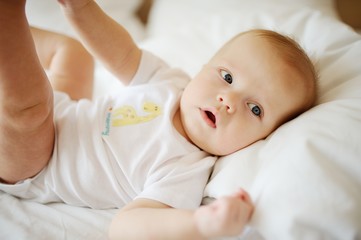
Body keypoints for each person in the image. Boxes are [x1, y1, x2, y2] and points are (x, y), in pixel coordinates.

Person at [0, 0, 317, 239]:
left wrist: (200, 224)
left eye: (255, 109)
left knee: (30, 106)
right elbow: (121, 53)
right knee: (71, 51)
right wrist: (81, 8)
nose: (228, 100)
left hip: (37, 163)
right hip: (64, 112)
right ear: (205, 66)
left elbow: (126, 227)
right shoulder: (171, 82)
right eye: (227, 77)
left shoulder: (186, 169)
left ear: (264, 138)